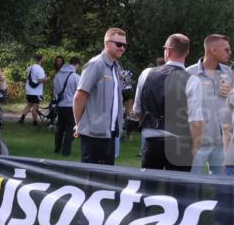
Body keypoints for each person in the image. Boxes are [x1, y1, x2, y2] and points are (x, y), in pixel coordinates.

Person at [133, 34, 203, 172]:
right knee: (177, 190)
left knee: (149, 189)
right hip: (180, 142)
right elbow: (195, 120)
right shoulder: (193, 81)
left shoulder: (146, 73)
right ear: (187, 52)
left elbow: (137, 110)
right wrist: (195, 146)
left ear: (168, 51)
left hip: (151, 139)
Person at [73, 28, 128, 165]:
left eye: (125, 45)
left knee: (105, 179)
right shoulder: (95, 64)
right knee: (90, 179)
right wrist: (79, 124)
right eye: (119, 44)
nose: (122, 48)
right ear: (107, 43)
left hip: (109, 132)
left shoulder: (116, 67)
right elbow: (80, 96)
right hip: (93, 133)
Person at [186, 34, 233, 174]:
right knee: (191, 183)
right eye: (226, 50)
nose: (229, 53)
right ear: (213, 50)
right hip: (198, 140)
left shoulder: (228, 72)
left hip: (221, 141)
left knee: (223, 184)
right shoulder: (189, 73)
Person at [53, 57, 81, 156]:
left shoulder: (58, 75)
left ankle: (57, 149)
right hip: (71, 106)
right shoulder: (75, 77)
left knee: (60, 128)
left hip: (60, 105)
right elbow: (78, 93)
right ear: (77, 65)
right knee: (69, 130)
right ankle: (66, 152)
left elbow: (55, 91)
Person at [18, 54, 47, 125]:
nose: (44, 59)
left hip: (29, 90)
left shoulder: (30, 67)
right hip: (36, 91)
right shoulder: (40, 69)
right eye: (44, 58)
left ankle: (22, 118)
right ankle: (35, 121)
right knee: (35, 107)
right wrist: (47, 78)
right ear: (41, 59)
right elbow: (40, 80)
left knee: (29, 104)